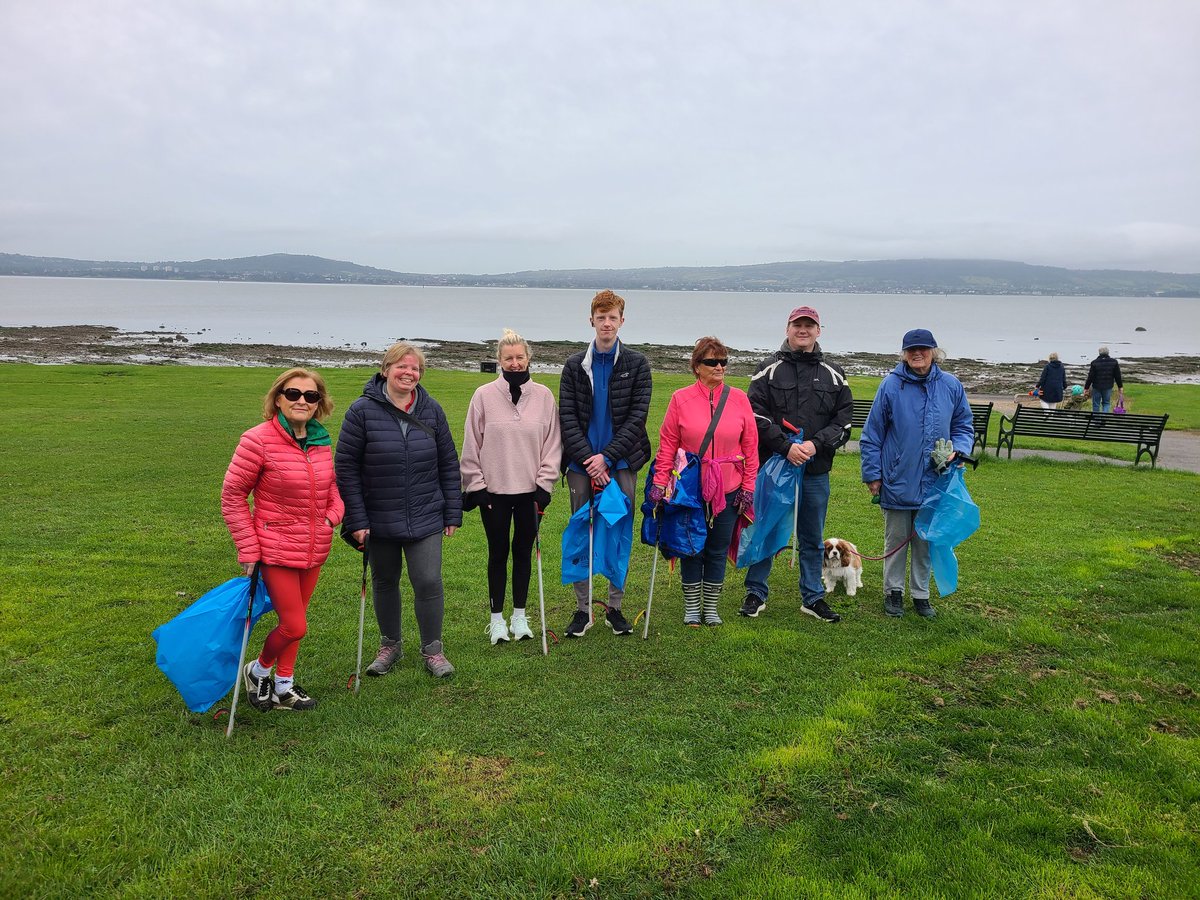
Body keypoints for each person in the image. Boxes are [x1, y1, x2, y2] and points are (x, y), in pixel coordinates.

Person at [335, 342, 462, 677]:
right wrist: (357, 519)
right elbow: (346, 468)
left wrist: (453, 511)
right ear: (386, 369)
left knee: (428, 581)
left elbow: (448, 463)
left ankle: (433, 650)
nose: (409, 373)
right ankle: (390, 646)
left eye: (415, 368)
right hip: (379, 517)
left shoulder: (432, 410)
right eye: (402, 367)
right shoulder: (361, 411)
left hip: (426, 514)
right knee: (384, 581)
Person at [221, 368, 344, 711]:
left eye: (311, 395)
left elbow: (332, 486)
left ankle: (284, 686)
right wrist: (248, 547)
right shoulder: (257, 440)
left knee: (296, 621)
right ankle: (258, 670)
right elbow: (232, 495)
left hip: (314, 547)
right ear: (278, 399)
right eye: (293, 394)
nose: (302, 401)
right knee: (295, 625)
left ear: (319, 404)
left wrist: (332, 517)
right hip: (274, 548)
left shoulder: (320, 441)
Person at [738, 305, 853, 623]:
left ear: (819, 330)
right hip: (775, 467)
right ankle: (755, 592)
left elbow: (844, 422)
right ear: (787, 328)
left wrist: (815, 445)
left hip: (815, 470)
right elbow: (755, 415)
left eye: (809, 325)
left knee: (812, 536)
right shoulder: (767, 369)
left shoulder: (834, 373)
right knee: (767, 526)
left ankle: (812, 597)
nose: (803, 330)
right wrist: (786, 447)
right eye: (797, 325)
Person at [860, 329, 974, 619]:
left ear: (934, 351)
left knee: (926, 540)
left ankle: (920, 594)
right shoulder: (890, 386)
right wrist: (873, 475)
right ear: (903, 354)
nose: (917, 354)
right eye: (911, 350)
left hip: (936, 480)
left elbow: (963, 425)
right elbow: (872, 434)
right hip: (897, 477)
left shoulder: (951, 385)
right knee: (896, 540)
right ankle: (893, 592)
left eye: (922, 349)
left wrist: (959, 450)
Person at [558, 289, 653, 637]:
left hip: (622, 463)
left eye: (613, 317)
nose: (607, 323)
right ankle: (583, 610)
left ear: (622, 321)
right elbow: (566, 418)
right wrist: (590, 460)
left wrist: (608, 458)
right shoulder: (573, 366)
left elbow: (637, 417)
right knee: (581, 533)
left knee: (617, 533)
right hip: (581, 466)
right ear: (592, 321)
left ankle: (614, 607)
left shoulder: (637, 364)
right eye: (601, 317)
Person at [461, 329, 563, 645]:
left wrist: (545, 484)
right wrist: (476, 486)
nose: (515, 363)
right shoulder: (483, 396)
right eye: (509, 358)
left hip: (531, 493)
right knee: (498, 553)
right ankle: (497, 621)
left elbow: (553, 445)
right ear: (499, 360)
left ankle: (519, 616)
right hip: (494, 493)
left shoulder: (544, 396)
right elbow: (470, 445)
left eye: (520, 357)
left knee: (522, 553)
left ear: (528, 359)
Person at [650, 337, 758, 626]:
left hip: (729, 487)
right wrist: (660, 485)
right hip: (690, 488)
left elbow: (751, 448)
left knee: (718, 548)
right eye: (712, 362)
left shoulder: (739, 399)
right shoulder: (679, 399)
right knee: (690, 545)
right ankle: (692, 607)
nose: (720, 366)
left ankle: (710, 608)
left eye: (724, 361)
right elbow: (667, 446)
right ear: (697, 366)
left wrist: (748, 487)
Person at [1084, 346, 1124, 413]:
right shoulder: (1114, 362)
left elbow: (1090, 376)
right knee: (1106, 403)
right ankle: (1103, 419)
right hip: (1108, 386)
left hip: (1096, 386)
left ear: (1099, 353)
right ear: (1108, 353)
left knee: (1096, 404)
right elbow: (1117, 376)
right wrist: (1120, 386)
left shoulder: (1094, 362)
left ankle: (1096, 421)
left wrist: (1086, 387)